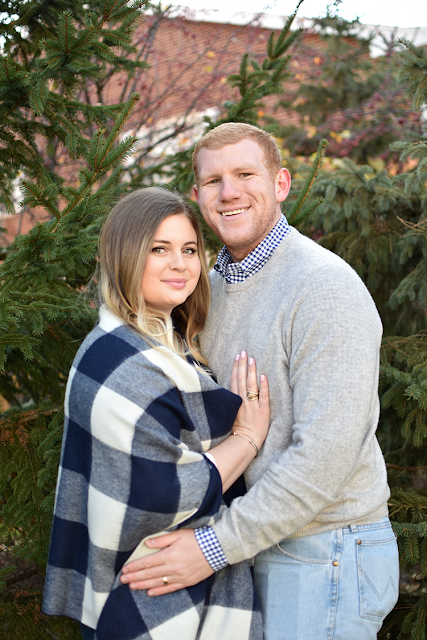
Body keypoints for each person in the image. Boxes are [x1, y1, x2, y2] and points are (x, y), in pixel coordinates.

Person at [119, 124, 400, 640]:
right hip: (253, 543)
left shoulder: (324, 288)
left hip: (325, 550)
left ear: (281, 184)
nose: (229, 192)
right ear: (198, 196)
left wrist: (212, 547)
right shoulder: (207, 288)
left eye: (245, 174)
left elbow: (325, 456)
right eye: (213, 180)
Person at [42, 186, 271, 640]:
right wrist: (246, 437)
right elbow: (157, 496)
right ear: (125, 256)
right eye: (159, 249)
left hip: (164, 576)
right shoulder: (121, 362)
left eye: (189, 249)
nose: (180, 264)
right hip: (149, 588)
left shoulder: (165, 346)